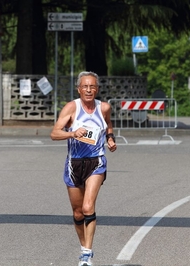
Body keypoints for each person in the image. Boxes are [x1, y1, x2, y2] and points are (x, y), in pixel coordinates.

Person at [50, 71, 117, 266]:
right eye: (85, 86)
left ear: (97, 89)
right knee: (78, 212)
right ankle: (84, 246)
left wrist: (111, 139)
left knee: (88, 207)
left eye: (92, 86)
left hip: (96, 161)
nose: (89, 90)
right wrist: (72, 133)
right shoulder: (72, 108)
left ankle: (87, 255)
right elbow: (54, 134)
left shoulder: (104, 107)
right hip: (74, 163)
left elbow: (108, 125)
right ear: (79, 89)